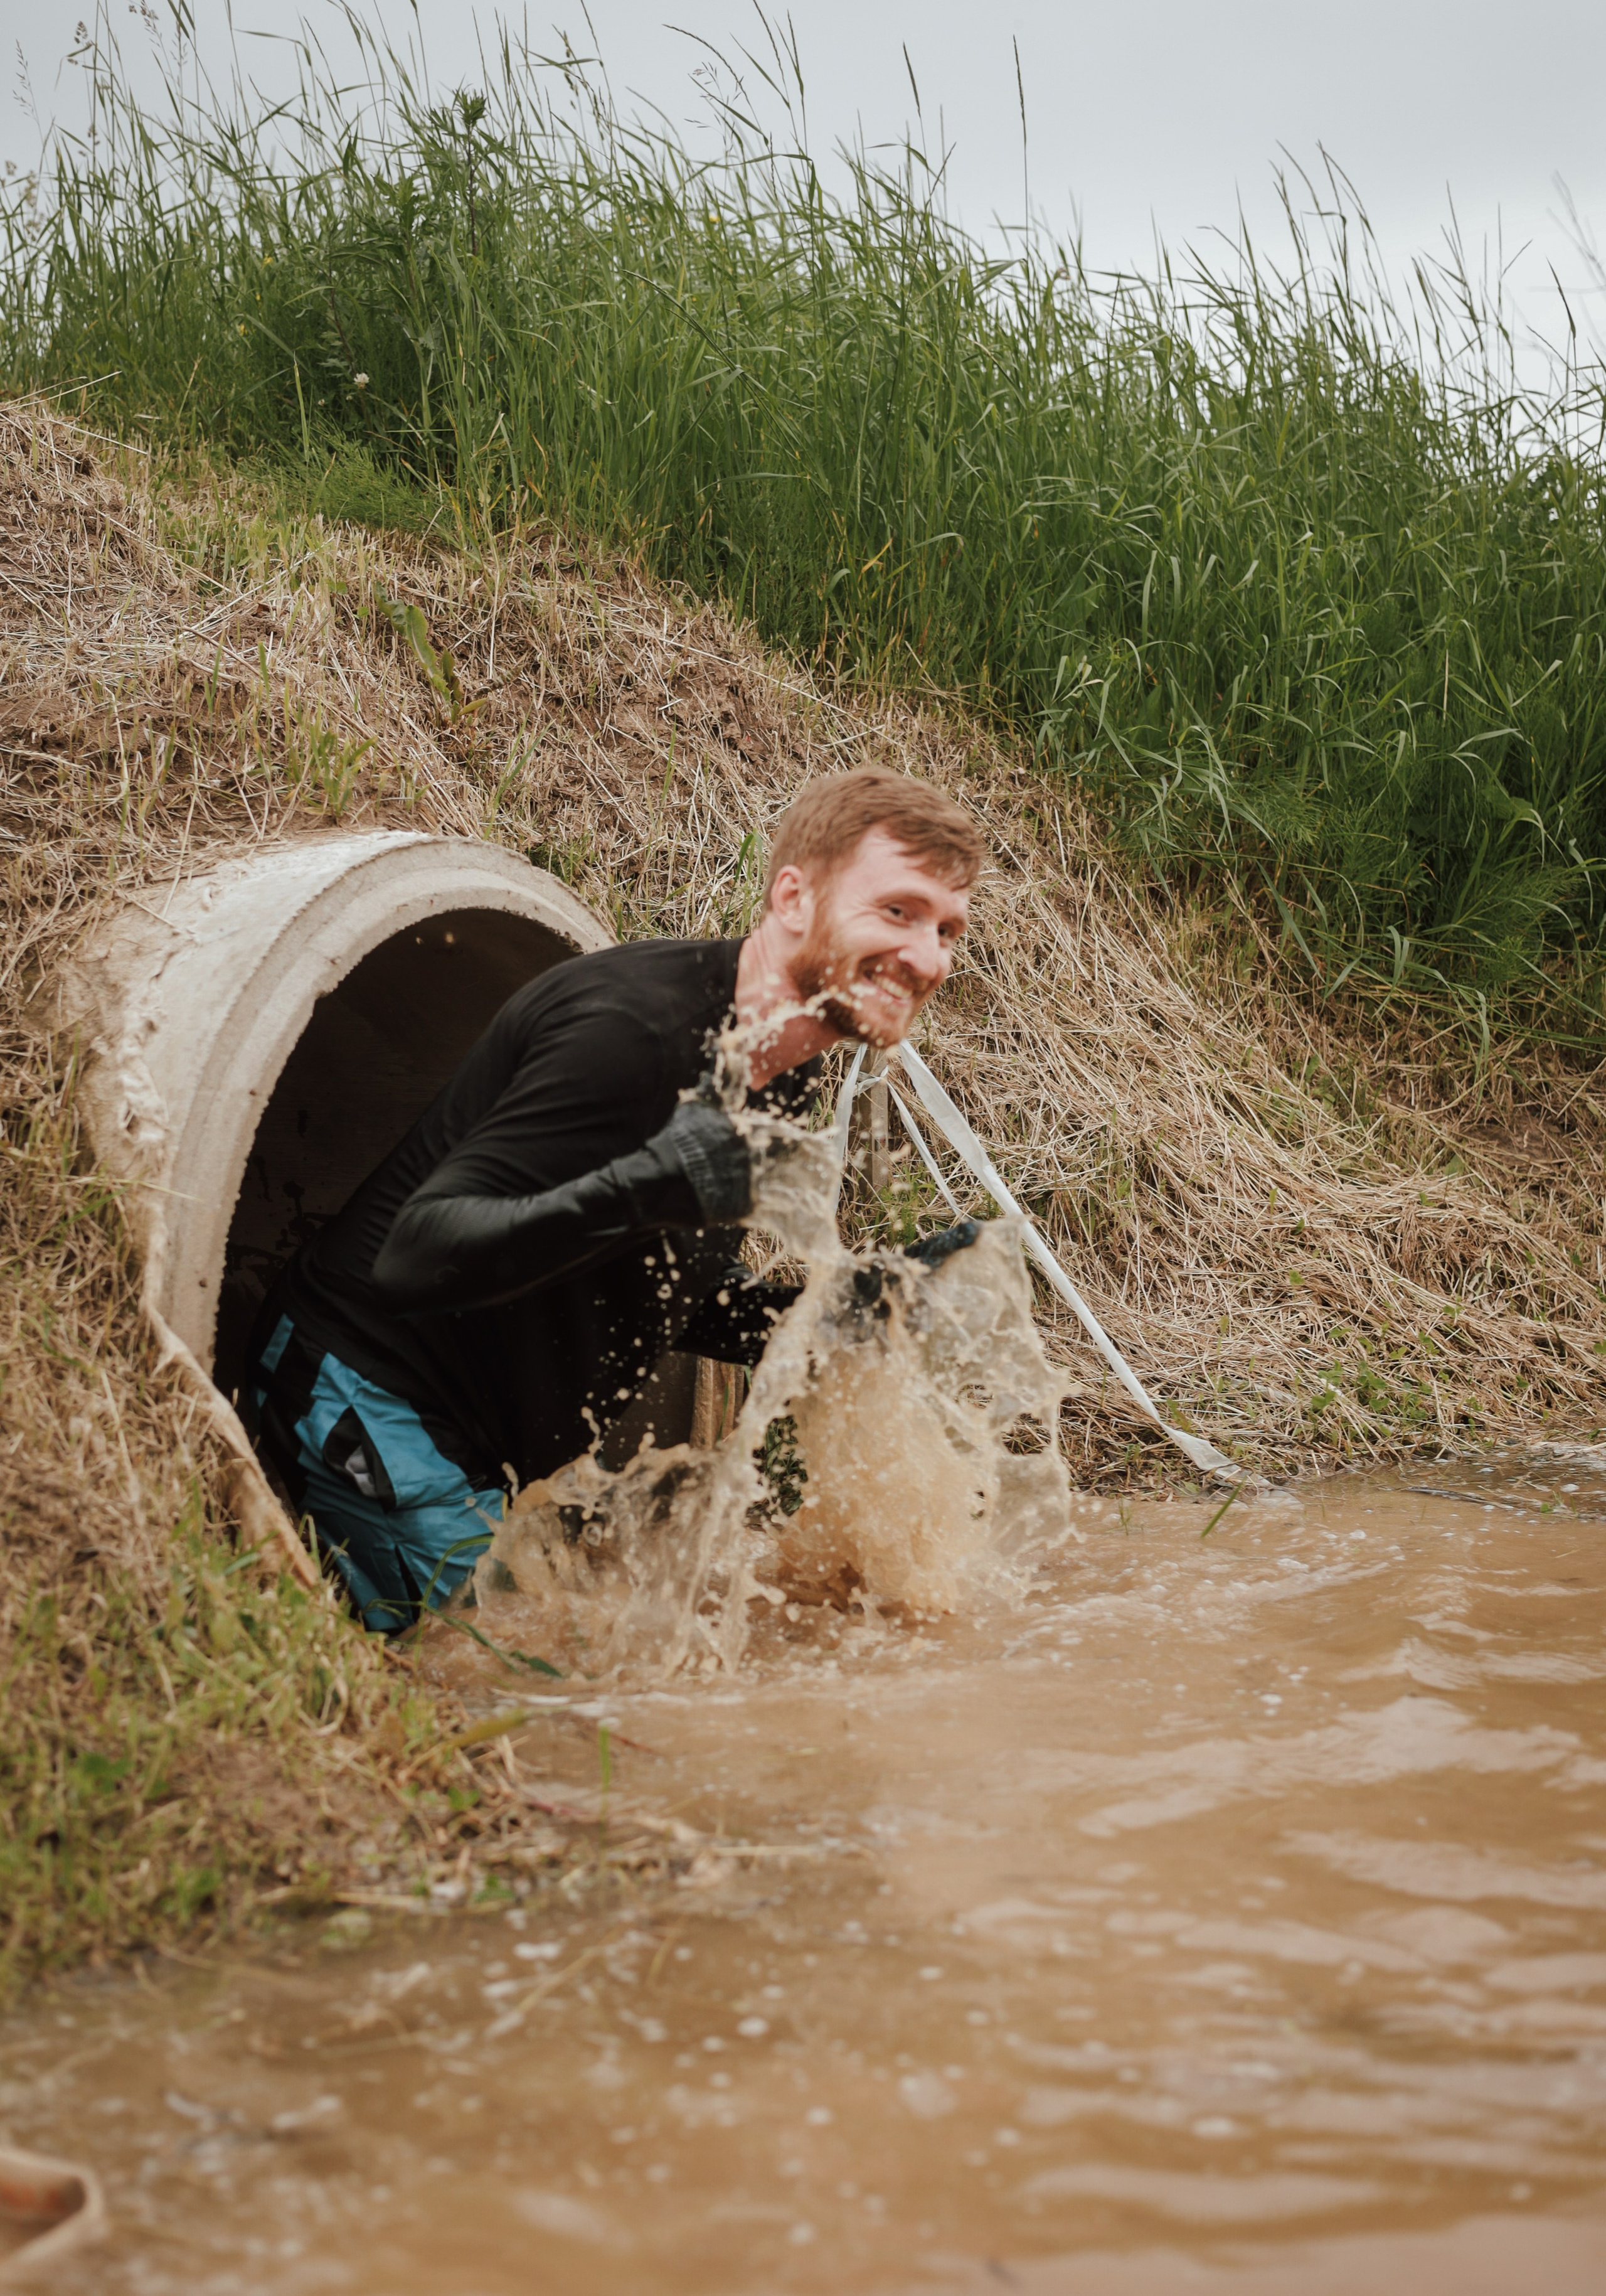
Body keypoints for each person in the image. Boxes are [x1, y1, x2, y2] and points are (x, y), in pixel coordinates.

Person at [244, 767, 985, 1631]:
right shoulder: (632, 1035)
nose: (930, 956)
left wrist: (828, 1313)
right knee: (518, 1694)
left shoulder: (785, 1072)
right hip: (361, 1387)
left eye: (947, 929)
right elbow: (414, 1253)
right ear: (793, 898)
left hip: (477, 1443)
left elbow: (669, 1291)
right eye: (897, 911)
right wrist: (645, 1185)